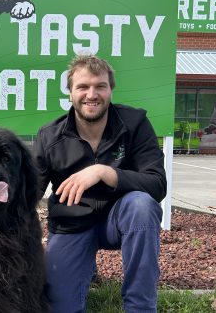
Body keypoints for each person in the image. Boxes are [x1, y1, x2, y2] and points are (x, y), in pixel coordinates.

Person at [33, 55, 166, 313]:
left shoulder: (135, 124)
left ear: (110, 90)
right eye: (82, 87)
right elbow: (29, 193)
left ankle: (140, 308)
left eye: (100, 86)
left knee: (142, 205)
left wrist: (105, 172)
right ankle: (82, 267)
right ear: (70, 93)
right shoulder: (49, 136)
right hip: (71, 225)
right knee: (59, 308)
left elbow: (157, 184)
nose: (91, 94)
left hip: (119, 220)